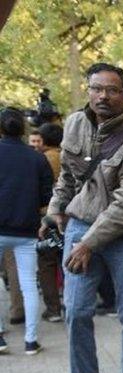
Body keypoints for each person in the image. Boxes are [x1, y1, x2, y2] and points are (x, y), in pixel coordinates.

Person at [48, 62, 123, 373]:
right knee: (75, 312)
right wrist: (57, 209)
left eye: (112, 90)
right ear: (88, 90)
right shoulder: (75, 124)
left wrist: (88, 242)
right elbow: (68, 177)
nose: (103, 96)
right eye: (96, 89)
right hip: (79, 228)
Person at [0, 107, 52, 355]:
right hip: (27, 229)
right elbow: (46, 197)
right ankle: (31, 341)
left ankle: (0, 338)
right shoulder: (36, 158)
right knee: (29, 285)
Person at [37, 122, 64, 321]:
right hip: (70, 214)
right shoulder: (68, 156)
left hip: (48, 214)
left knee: (47, 262)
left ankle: (53, 309)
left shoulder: (42, 159)